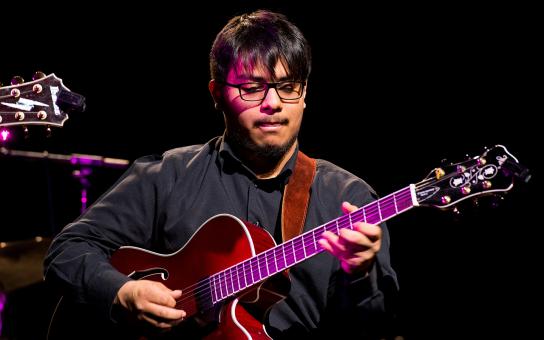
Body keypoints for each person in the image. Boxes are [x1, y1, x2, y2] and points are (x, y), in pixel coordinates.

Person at [44, 9, 399, 339]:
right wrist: (122, 291)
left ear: (304, 94)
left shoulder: (349, 200)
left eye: (287, 87)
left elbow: (375, 328)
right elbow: (67, 251)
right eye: (252, 87)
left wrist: (361, 274)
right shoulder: (168, 175)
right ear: (217, 94)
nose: (272, 103)